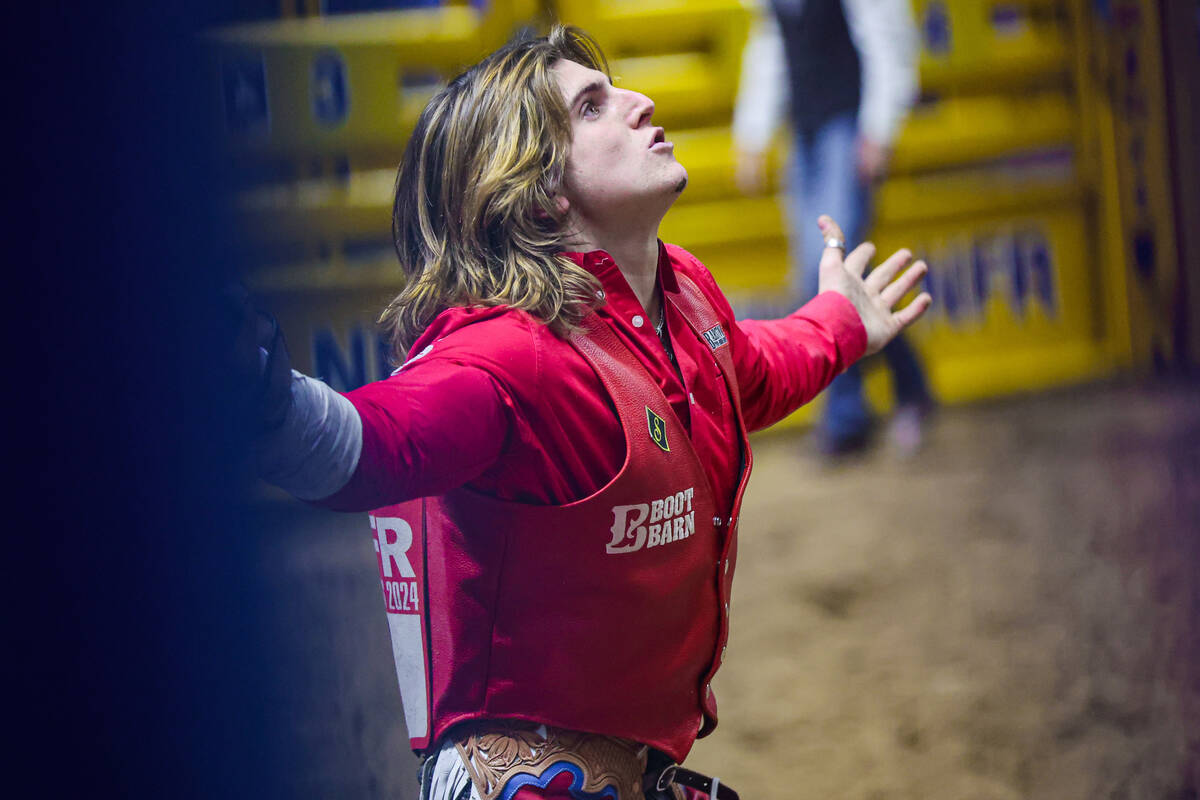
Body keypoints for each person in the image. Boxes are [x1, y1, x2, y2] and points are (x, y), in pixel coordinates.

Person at [250, 25, 930, 800]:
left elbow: (746, 372)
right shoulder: (509, 352)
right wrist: (254, 390)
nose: (641, 103)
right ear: (539, 190)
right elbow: (369, 447)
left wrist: (840, 320)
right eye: (594, 106)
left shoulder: (681, 288)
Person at [734, 0, 933, 456]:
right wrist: (754, 134)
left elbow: (888, 41)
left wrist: (879, 130)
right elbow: (769, 45)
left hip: (846, 125)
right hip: (804, 128)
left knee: (820, 269)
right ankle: (909, 385)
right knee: (831, 274)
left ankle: (846, 417)